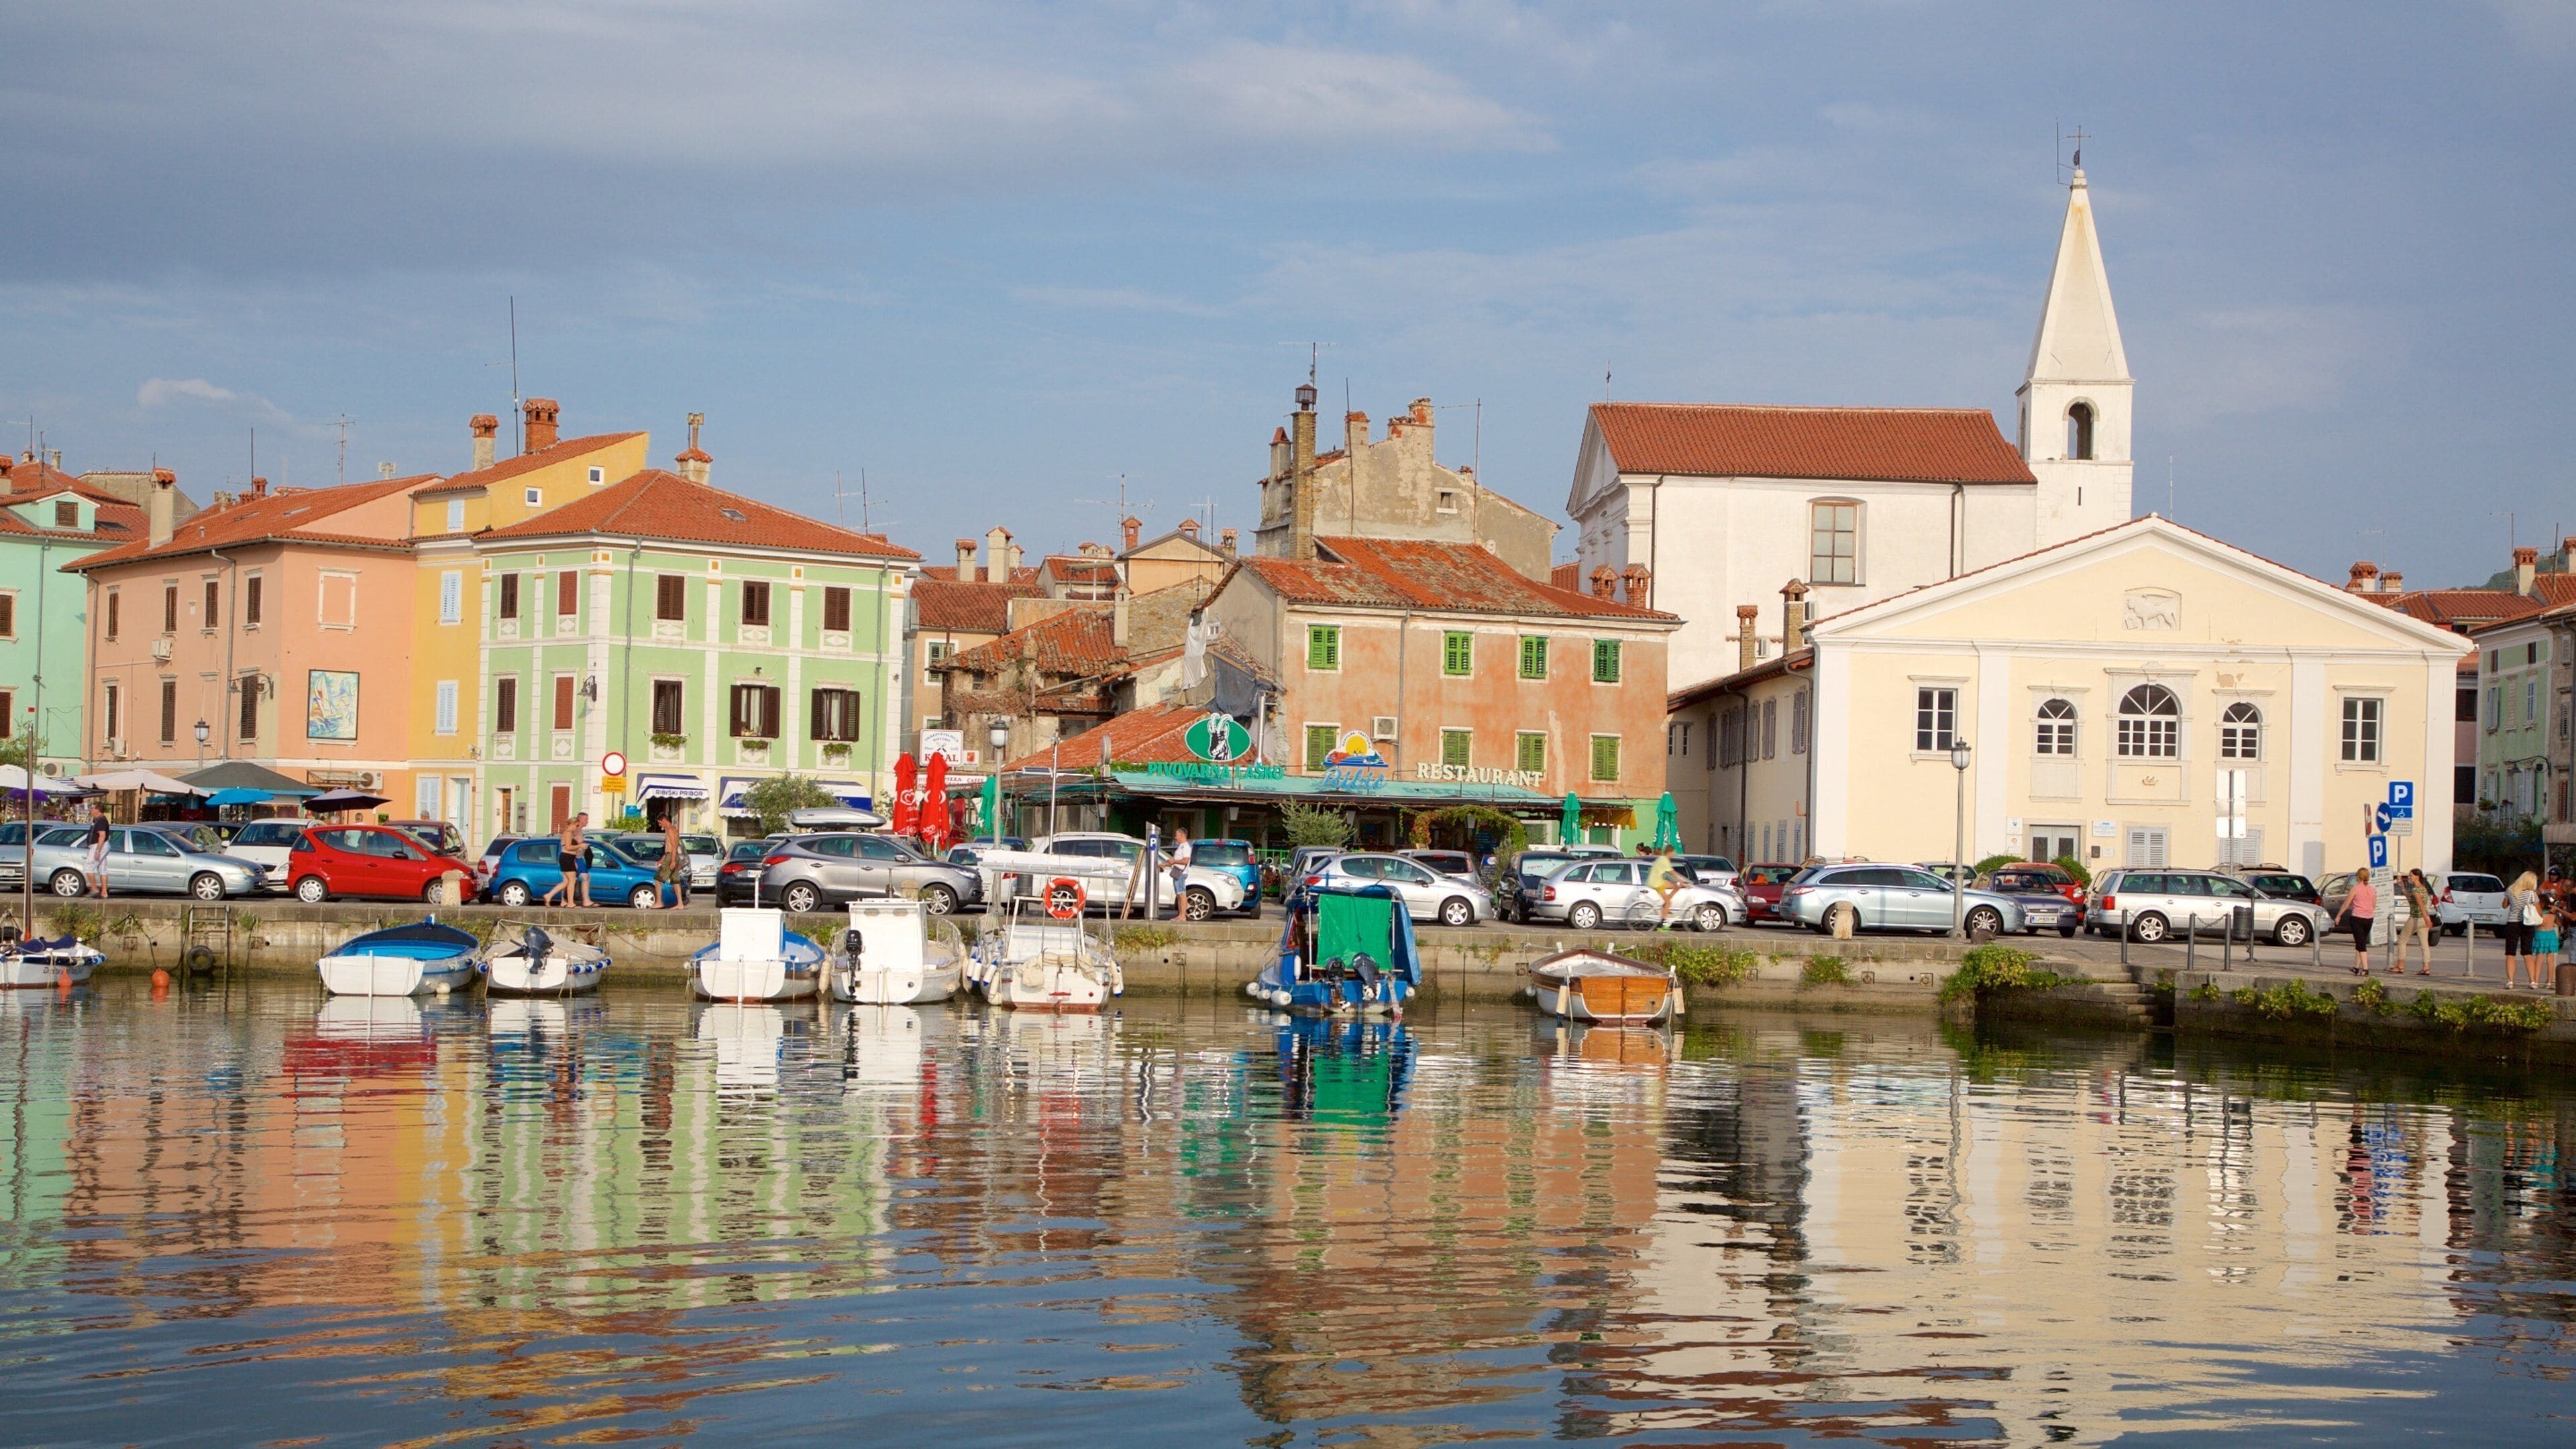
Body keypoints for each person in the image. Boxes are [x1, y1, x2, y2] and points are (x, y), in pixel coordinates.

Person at [2394, 868, 2437, 976]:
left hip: (2416, 918)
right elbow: (2410, 898)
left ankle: (2400, 966)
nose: (2409, 878)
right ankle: (2426, 968)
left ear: (2417, 876)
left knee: (2402, 940)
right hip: (2423, 920)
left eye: (2411, 876)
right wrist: (2402, 887)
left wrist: (2427, 919)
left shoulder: (2416, 890)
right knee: (2424, 944)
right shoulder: (2423, 889)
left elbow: (2420, 905)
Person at [2502, 869, 2540, 989]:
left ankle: (2510, 981)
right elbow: (2539, 911)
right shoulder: (2531, 894)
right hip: (2527, 924)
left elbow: (2504, 906)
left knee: (2510, 953)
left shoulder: (2510, 890)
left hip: (2512, 923)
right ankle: (2533, 981)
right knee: (2527, 953)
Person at [545, 812, 592, 908]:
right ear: (572, 824)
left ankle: (549, 896)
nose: (577, 828)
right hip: (567, 858)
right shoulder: (568, 833)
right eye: (576, 825)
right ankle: (570, 903)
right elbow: (568, 847)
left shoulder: (568, 833)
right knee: (572, 881)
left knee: (566, 882)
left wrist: (574, 861)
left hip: (569, 858)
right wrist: (581, 846)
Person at [2342, 869, 2377, 976]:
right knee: (2360, 942)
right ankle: (2356, 967)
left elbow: (2346, 904)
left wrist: (2339, 915)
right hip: (2369, 918)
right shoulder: (2372, 890)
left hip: (2357, 917)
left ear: (2359, 877)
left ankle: (2366, 969)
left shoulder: (2355, 889)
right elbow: (2374, 905)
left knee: (2361, 944)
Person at [652, 813, 688, 910]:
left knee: (657, 879)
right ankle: (680, 904)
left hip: (671, 857)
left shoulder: (670, 830)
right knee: (675, 881)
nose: (660, 825)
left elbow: (674, 846)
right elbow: (670, 848)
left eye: (660, 823)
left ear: (664, 820)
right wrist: (662, 860)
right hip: (671, 856)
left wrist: (672, 861)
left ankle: (659, 902)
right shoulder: (674, 830)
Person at [82, 803, 110, 899]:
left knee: (88, 867)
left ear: (98, 810)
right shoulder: (97, 820)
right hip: (99, 845)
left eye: (93, 808)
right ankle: (104, 892)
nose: (91, 810)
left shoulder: (101, 821)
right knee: (103, 869)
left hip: (99, 846)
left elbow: (102, 836)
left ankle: (94, 889)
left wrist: (98, 851)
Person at [1164, 826, 1192, 920]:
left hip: (1181, 873)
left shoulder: (1186, 847)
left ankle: (1183, 916)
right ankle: (1180, 915)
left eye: (1177, 835)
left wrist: (1174, 862)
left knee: (1182, 894)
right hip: (1177, 872)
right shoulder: (1181, 846)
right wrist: (1166, 864)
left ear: (1182, 835)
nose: (1175, 837)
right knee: (1179, 894)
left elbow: (1185, 861)